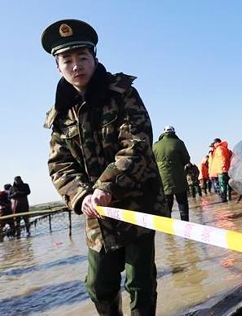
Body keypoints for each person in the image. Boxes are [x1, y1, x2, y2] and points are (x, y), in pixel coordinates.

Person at [42, 19, 168, 315]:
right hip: (96, 214)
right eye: (67, 60)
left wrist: (106, 186)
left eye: (83, 58)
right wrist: (82, 195)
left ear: (95, 58)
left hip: (137, 205)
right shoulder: (59, 116)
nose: (76, 66)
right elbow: (60, 165)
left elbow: (137, 145)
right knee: (99, 284)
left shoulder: (122, 93)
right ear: (58, 66)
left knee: (140, 282)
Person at [153, 125, 191, 221]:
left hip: (163, 180)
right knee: (182, 202)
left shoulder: (156, 145)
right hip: (179, 178)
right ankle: (185, 224)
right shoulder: (179, 143)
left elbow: (152, 161)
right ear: (174, 133)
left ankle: (168, 230)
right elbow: (186, 159)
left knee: (167, 204)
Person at [211, 138, 232, 202]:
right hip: (227, 169)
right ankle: (229, 197)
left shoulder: (219, 148)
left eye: (214, 143)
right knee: (228, 184)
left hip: (222, 169)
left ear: (217, 142)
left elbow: (223, 157)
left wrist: (223, 166)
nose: (214, 145)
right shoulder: (225, 148)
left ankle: (224, 198)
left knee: (222, 184)